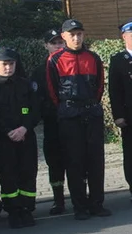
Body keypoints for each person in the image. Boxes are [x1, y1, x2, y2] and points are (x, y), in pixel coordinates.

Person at [47, 19, 110, 221]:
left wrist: (91, 104)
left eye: (79, 34)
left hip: (91, 113)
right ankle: (80, 206)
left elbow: (100, 86)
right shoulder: (55, 60)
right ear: (63, 36)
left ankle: (97, 204)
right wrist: (67, 108)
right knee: (74, 162)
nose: (76, 38)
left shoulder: (93, 57)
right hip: (69, 116)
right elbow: (52, 91)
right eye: (72, 34)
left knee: (95, 161)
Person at [0, 47, 40, 228]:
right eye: (4, 64)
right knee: (8, 176)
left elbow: (35, 110)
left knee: (28, 174)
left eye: (11, 64)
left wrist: (24, 128)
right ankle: (13, 211)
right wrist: (7, 131)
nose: (8, 68)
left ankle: (26, 209)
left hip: (26, 138)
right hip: (3, 140)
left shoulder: (26, 85)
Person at [109, 19, 132, 203]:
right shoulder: (118, 60)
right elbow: (114, 91)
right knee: (131, 152)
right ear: (124, 37)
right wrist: (118, 116)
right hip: (130, 115)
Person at [32, 29, 67, 215]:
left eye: (61, 42)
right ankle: (58, 200)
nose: (58, 46)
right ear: (45, 45)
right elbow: (35, 101)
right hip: (52, 124)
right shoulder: (39, 71)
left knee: (77, 161)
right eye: (54, 43)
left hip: (72, 123)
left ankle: (80, 197)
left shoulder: (71, 65)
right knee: (55, 163)